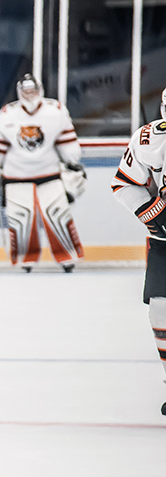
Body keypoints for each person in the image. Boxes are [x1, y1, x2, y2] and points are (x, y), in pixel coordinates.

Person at [0, 73, 85, 272]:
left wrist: (72, 160)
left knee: (58, 216)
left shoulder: (55, 111)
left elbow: (68, 144)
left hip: (49, 174)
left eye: (33, 90)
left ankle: (67, 257)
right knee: (20, 220)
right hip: (15, 177)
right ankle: (25, 259)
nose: (30, 95)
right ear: (19, 92)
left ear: (41, 90)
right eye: (26, 91)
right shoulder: (7, 114)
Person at [111, 86, 166, 414]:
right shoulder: (150, 138)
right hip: (165, 246)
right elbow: (123, 183)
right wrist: (153, 214)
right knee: (160, 312)